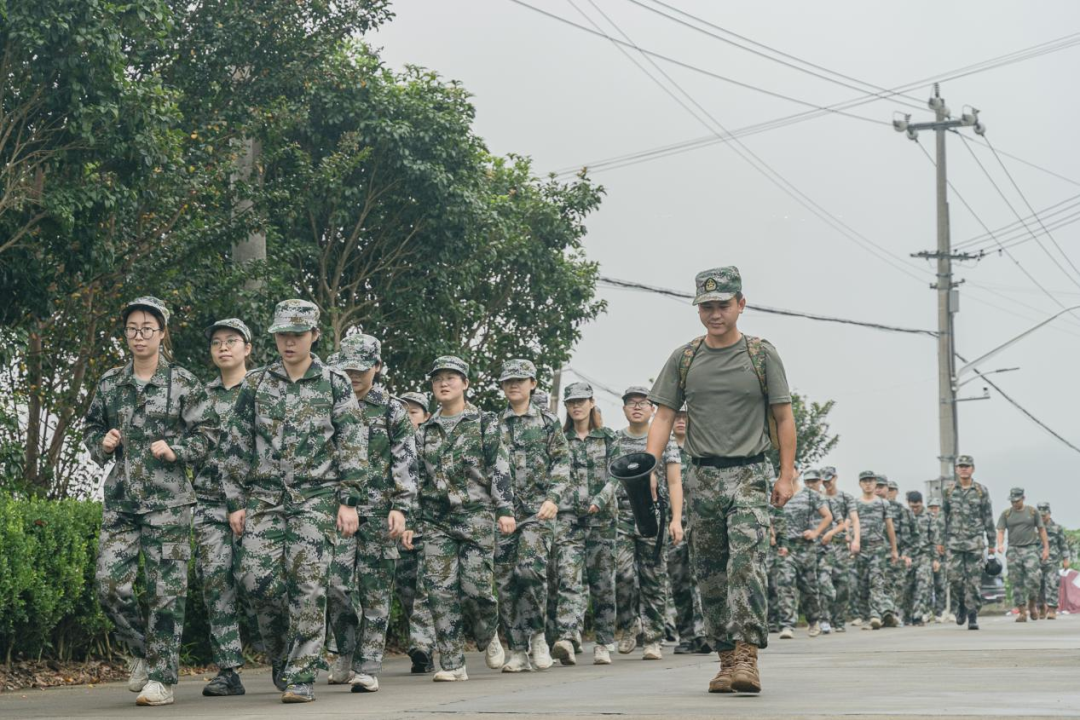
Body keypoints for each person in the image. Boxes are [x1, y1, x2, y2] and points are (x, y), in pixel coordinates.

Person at [646, 266, 795, 695]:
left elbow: (784, 417)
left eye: (723, 305)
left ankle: (747, 655)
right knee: (709, 572)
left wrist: (786, 475)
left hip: (749, 473)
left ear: (741, 305)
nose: (715, 314)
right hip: (701, 477)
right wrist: (649, 467)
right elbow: (664, 417)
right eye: (707, 306)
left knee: (745, 564)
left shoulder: (761, 355)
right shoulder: (685, 358)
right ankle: (726, 659)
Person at [221, 299, 368, 703]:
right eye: (282, 334)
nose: (289, 342)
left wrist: (349, 499)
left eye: (297, 334)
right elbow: (237, 442)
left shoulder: (335, 382)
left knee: (308, 585)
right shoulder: (256, 383)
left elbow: (352, 439)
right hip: (264, 497)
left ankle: (302, 674)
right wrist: (235, 500)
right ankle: (282, 656)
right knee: (256, 581)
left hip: (316, 497)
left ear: (314, 335)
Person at [84, 296, 217, 706]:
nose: (138, 336)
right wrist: (103, 443)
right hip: (123, 502)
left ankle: (162, 678)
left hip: (169, 503)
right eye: (131, 329)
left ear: (162, 333)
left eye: (147, 329)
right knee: (109, 586)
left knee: (166, 593)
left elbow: (209, 434)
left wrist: (178, 450)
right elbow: (91, 428)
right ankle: (141, 653)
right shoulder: (110, 383)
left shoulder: (184, 382)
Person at [406, 356, 515, 682]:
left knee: (476, 589)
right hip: (436, 519)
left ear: (465, 383)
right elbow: (415, 479)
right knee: (439, 591)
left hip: (476, 515)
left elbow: (499, 466)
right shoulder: (425, 431)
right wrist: (410, 520)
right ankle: (453, 663)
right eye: (438, 378)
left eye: (451, 377)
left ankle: (488, 633)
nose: (444, 383)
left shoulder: (484, 422)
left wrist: (505, 509)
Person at [325, 334, 417, 693]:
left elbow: (405, 460)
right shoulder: (330, 401)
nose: (353, 376)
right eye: (347, 369)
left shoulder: (392, 409)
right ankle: (346, 651)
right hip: (337, 509)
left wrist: (402, 507)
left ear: (377, 367)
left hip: (380, 511)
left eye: (361, 369)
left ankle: (367, 666)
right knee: (335, 585)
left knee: (376, 591)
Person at [495, 359, 571, 673]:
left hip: (538, 512)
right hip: (503, 513)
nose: (514, 385)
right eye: (508, 381)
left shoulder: (548, 422)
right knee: (505, 583)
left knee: (528, 571)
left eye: (520, 379)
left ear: (533, 384)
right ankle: (517, 650)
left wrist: (554, 498)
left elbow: (562, 462)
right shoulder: (494, 424)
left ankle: (538, 636)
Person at [193, 318, 255, 697]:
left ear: (248, 348)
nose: (223, 348)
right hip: (210, 502)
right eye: (217, 342)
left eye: (231, 341)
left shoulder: (263, 390)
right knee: (216, 581)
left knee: (261, 582)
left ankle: (286, 656)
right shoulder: (200, 397)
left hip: (257, 503)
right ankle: (228, 669)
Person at [547, 381, 616, 666]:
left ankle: (603, 641)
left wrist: (600, 499)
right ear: (566, 406)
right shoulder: (559, 439)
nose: (576, 406)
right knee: (568, 577)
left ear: (591, 402)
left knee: (602, 583)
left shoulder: (608, 438)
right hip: (568, 519)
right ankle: (568, 637)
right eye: (571, 402)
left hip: (602, 521)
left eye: (581, 401)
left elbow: (617, 476)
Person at [612, 386, 682, 661]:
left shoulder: (665, 439)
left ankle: (653, 638)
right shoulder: (616, 440)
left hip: (653, 516)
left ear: (652, 409)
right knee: (622, 573)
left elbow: (674, 482)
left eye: (643, 403)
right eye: (631, 403)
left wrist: (676, 519)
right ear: (624, 409)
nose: (637, 407)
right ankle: (629, 625)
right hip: (621, 515)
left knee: (653, 578)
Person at [395, 391, 437, 672]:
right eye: (404, 411)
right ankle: (424, 649)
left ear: (426, 416)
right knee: (407, 590)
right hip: (399, 529)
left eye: (414, 412)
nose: (408, 416)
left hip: (430, 527)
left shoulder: (431, 444)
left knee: (425, 589)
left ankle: (421, 644)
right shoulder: (393, 444)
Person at [669, 406, 710, 655]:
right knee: (679, 582)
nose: (681, 421)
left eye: (685, 417)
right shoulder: (665, 449)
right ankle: (686, 636)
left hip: (701, 522)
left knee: (702, 580)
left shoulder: (702, 449)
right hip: (674, 524)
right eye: (677, 417)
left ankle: (704, 633)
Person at [941, 455, 995, 631]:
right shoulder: (948, 491)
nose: (964, 469)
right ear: (956, 469)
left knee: (974, 581)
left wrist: (992, 542)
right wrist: (940, 540)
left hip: (974, 542)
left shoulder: (981, 491)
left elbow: (988, 516)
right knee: (954, 578)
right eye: (961, 466)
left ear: (973, 469)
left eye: (967, 466)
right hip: (954, 542)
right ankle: (961, 604)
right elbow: (943, 516)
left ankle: (972, 615)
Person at [776, 469, 832, 639]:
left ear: (798, 473)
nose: (787, 472)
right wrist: (775, 538)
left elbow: (827, 516)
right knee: (785, 584)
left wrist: (816, 532)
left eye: (790, 469)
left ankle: (814, 621)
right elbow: (771, 518)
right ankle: (787, 625)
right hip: (786, 547)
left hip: (806, 547)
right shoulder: (778, 493)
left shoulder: (810, 495)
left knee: (808, 587)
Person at [996, 487, 1049, 622]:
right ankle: (1022, 612)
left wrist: (1046, 549)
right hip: (1013, 550)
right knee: (1016, 581)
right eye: (1012, 501)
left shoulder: (1032, 512)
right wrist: (1000, 544)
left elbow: (1041, 530)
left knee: (1034, 578)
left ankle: (1032, 603)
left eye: (1017, 501)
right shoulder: (1006, 514)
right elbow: (1001, 530)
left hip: (1030, 549)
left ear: (1023, 498)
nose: (1014, 503)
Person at [854, 471, 898, 630]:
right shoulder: (855, 503)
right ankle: (867, 615)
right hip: (861, 549)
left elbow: (889, 527)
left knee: (877, 582)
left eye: (871, 481)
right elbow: (850, 523)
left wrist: (894, 549)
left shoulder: (883, 504)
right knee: (862, 583)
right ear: (860, 484)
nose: (868, 484)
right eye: (864, 481)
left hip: (878, 548)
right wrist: (852, 542)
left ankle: (875, 615)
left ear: (875, 483)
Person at [821, 466, 859, 633]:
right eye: (824, 481)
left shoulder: (845, 497)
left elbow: (854, 519)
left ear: (835, 478)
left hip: (841, 545)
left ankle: (839, 620)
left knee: (842, 583)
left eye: (829, 479)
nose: (826, 483)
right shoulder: (818, 498)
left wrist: (856, 540)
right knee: (823, 581)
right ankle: (824, 619)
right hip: (823, 546)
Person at [905, 491, 939, 626]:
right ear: (908, 503)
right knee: (906, 586)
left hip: (924, 555)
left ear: (921, 503)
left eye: (917, 506)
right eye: (912, 506)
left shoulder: (929, 517)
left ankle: (917, 616)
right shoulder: (904, 515)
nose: (914, 509)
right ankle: (905, 615)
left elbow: (934, 539)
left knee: (923, 585)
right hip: (907, 555)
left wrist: (935, 559)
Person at [883, 478, 914, 626]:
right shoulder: (877, 506)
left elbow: (907, 533)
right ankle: (884, 613)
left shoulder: (902, 510)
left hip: (897, 553)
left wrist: (906, 553)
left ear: (896, 492)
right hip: (879, 552)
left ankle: (895, 613)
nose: (889, 492)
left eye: (892, 490)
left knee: (898, 585)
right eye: (887, 489)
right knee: (882, 585)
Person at [1036, 503, 1071, 620]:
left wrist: (1065, 559)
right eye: (1040, 515)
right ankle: (1041, 607)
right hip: (1036, 561)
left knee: (1051, 584)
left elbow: (1063, 544)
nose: (1042, 517)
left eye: (1044, 515)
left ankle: (1052, 609)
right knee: (1037, 585)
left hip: (1052, 560)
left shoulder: (1057, 528)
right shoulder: (1033, 528)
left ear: (1049, 514)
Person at [927, 498, 949, 622]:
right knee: (927, 585)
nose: (933, 510)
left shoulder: (944, 522)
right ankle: (928, 611)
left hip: (942, 557)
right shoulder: (926, 520)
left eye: (936, 507)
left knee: (940, 585)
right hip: (928, 556)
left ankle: (940, 612)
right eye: (931, 507)